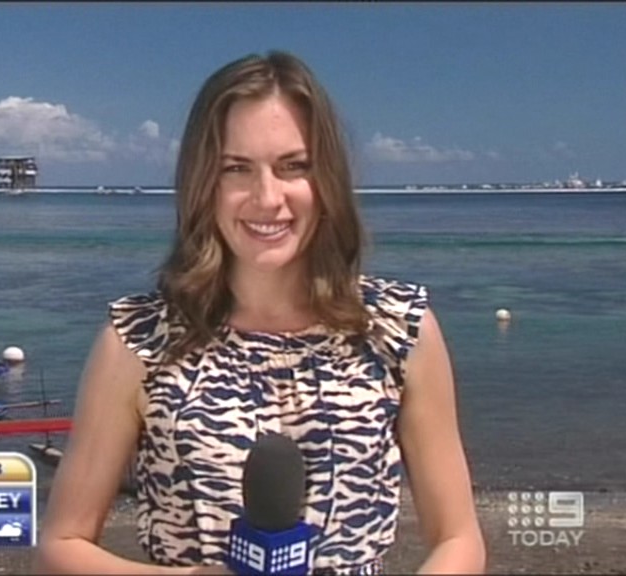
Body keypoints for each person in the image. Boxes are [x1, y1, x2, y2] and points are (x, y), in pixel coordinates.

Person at [33, 50, 486, 575]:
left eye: (293, 166)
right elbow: (61, 546)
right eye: (237, 169)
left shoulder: (398, 328)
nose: (267, 198)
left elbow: (459, 538)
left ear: (327, 179)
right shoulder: (138, 340)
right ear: (203, 182)